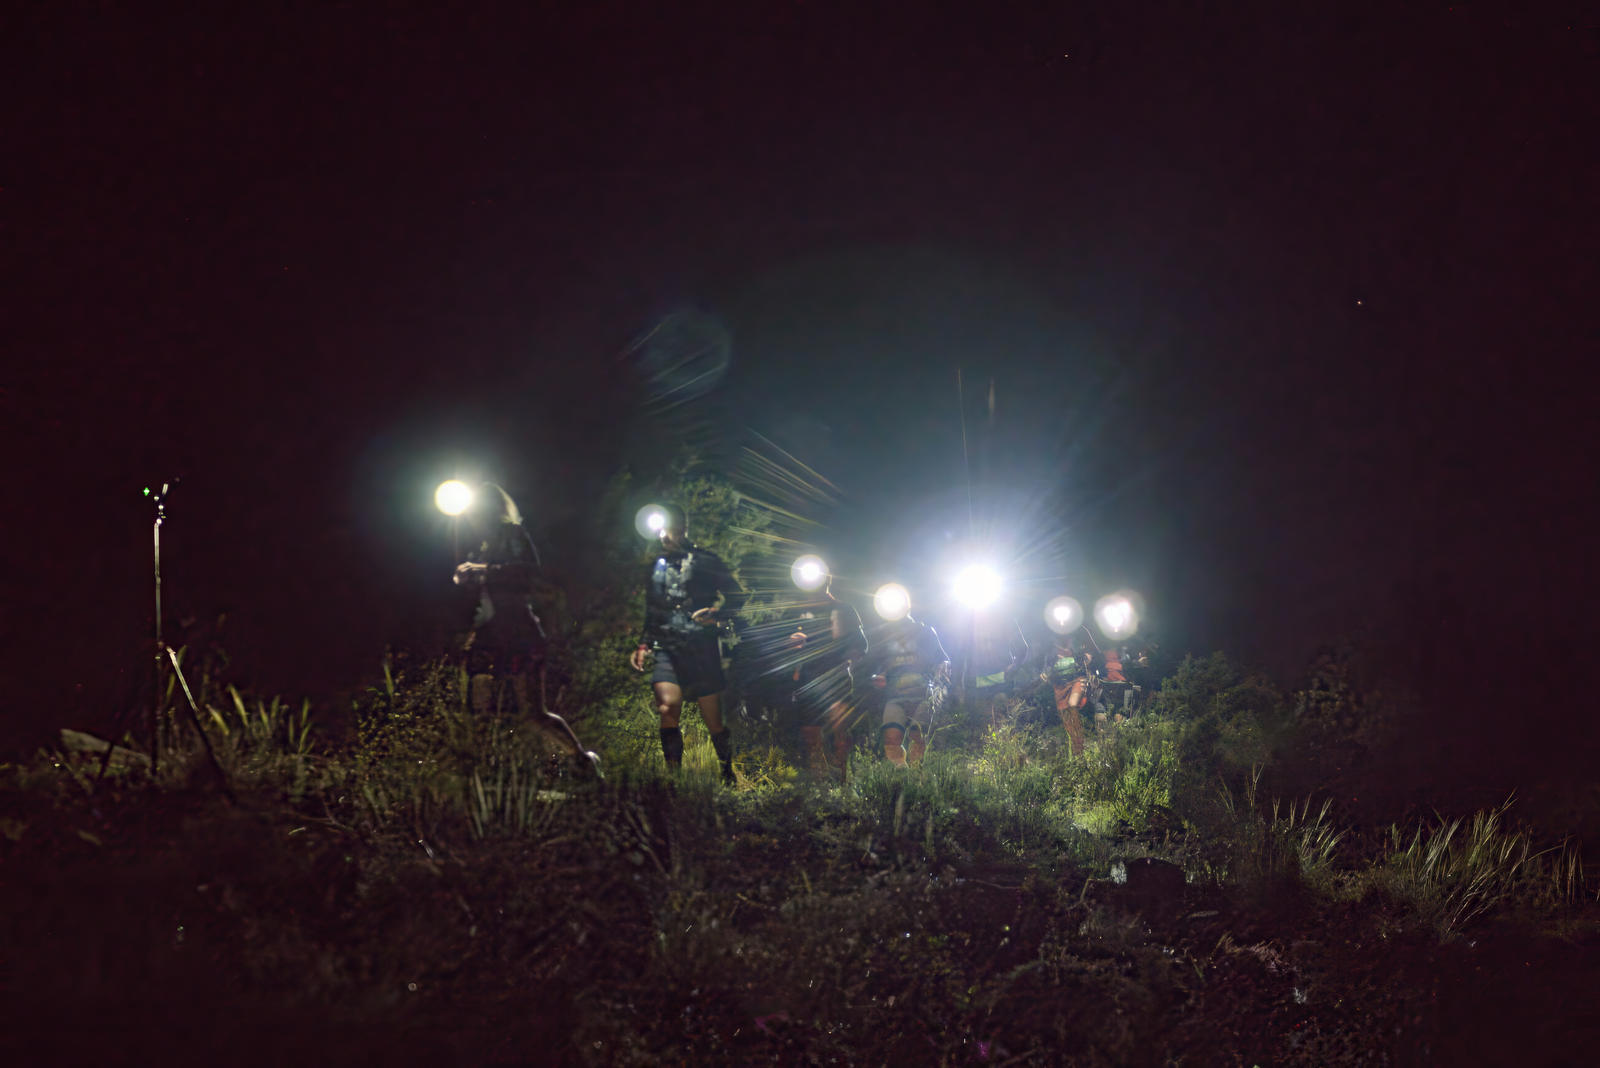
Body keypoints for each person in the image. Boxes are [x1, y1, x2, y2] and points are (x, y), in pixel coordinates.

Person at [453, 483, 600, 776]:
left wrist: (483, 570)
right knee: (478, 709)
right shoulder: (481, 547)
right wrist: (464, 577)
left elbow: (529, 571)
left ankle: (583, 762)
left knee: (532, 714)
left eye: (477, 511)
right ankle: (483, 774)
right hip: (486, 635)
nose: (472, 518)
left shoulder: (512, 534)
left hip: (519, 633)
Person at [628, 504, 746, 784]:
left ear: (682, 529)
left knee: (713, 719)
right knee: (667, 707)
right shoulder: (657, 566)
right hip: (667, 646)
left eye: (668, 529)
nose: (663, 535)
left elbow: (736, 596)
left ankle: (727, 772)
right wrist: (643, 644)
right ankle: (675, 779)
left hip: (701, 646)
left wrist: (716, 613)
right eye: (660, 530)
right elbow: (653, 609)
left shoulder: (706, 560)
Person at [786, 573, 868, 780]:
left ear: (826, 583)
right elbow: (787, 644)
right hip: (808, 680)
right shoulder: (798, 612)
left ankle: (841, 779)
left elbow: (861, 645)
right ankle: (819, 781)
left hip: (836, 677)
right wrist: (793, 644)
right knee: (810, 733)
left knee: (839, 731)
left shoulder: (844, 609)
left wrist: (847, 657)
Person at [866, 611, 950, 767]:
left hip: (923, 695)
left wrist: (942, 670)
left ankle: (917, 773)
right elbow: (877, 667)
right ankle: (900, 772)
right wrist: (878, 677)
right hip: (895, 696)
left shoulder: (925, 632)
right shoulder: (884, 637)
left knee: (917, 735)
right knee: (891, 737)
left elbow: (942, 659)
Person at [971, 618, 1031, 728]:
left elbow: (1022, 648)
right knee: (985, 726)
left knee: (1001, 722)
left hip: (1000, 681)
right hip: (979, 683)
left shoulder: (1005, 619)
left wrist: (1013, 667)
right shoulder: (971, 620)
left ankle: (1007, 736)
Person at [1039, 633, 1090, 755]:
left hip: (1077, 679)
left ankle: (1080, 745)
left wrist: (1086, 660)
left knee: (1072, 704)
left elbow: (1087, 658)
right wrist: (1045, 675)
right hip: (1060, 686)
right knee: (1066, 718)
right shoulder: (1051, 651)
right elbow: (1046, 670)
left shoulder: (1076, 644)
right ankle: (1077, 748)